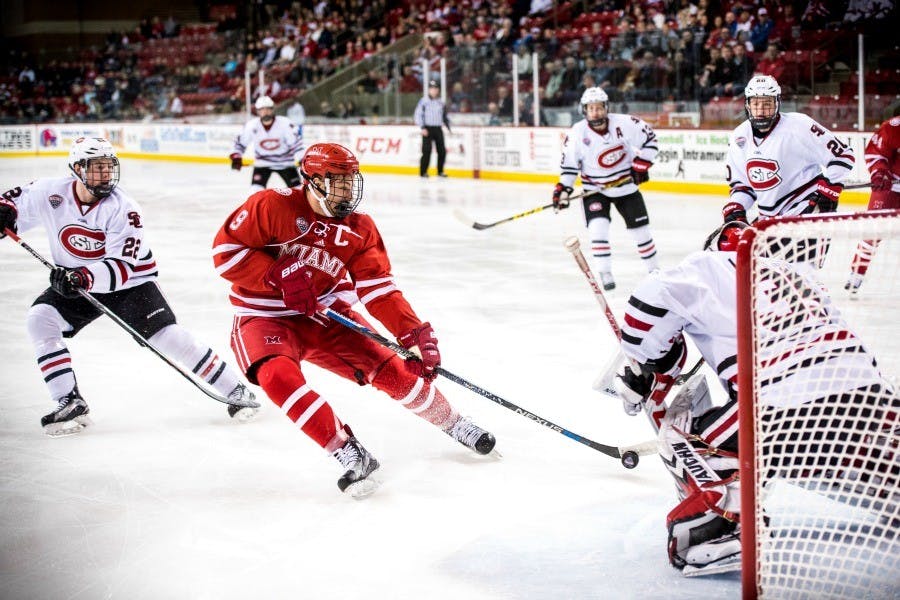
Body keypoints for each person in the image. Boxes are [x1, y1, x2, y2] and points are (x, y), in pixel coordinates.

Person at [212, 142, 496, 498]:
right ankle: (346, 450)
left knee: (393, 370)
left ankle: (454, 423)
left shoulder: (360, 228)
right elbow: (225, 253)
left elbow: (379, 290)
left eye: (350, 181)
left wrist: (411, 333)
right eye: (337, 182)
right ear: (311, 180)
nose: (346, 191)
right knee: (276, 375)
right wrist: (274, 275)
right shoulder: (273, 205)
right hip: (264, 315)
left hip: (327, 315)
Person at [613, 221, 896, 574]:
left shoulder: (709, 266)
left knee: (684, 433)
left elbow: (651, 301)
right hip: (874, 399)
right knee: (852, 445)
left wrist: (644, 363)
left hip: (783, 407)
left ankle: (726, 520)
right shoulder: (798, 275)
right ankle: (884, 480)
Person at [0, 137, 258, 437]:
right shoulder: (50, 192)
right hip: (77, 281)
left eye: (109, 167)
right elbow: (15, 202)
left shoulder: (124, 209)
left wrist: (81, 277)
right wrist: (6, 212)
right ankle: (69, 400)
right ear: (77, 168)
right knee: (40, 320)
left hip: (129, 283)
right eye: (97, 168)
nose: (105, 174)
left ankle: (235, 389)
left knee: (168, 338)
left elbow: (121, 267)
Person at [552, 86, 660, 291]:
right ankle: (605, 271)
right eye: (591, 108)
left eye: (599, 107)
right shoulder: (576, 133)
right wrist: (563, 190)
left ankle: (654, 271)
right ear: (584, 110)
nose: (596, 112)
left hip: (625, 187)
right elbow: (569, 167)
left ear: (606, 107)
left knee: (642, 232)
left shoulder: (625, 123)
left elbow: (651, 139)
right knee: (597, 228)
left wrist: (641, 163)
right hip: (595, 190)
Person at [722, 75, 855, 225]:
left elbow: (843, 156)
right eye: (756, 104)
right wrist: (736, 206)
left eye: (767, 104)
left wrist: (830, 189)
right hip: (768, 219)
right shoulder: (739, 136)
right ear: (747, 105)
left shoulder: (799, 125)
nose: (761, 110)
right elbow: (743, 187)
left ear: (777, 103)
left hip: (807, 211)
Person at [846, 114, 900, 293]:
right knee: (873, 232)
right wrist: (880, 173)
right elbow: (876, 153)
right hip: (891, 186)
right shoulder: (894, 127)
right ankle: (856, 274)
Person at [230, 95, 305, 193]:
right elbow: (240, 143)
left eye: (268, 109)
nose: (265, 112)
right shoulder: (251, 125)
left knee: (299, 192)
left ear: (273, 109)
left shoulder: (285, 123)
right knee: (255, 193)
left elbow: (296, 145)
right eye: (262, 109)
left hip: (285, 164)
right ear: (257, 111)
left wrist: (302, 160)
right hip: (262, 165)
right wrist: (236, 156)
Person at [414, 80, 451, 178]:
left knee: (442, 151)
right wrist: (422, 127)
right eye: (432, 88)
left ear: (438, 90)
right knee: (426, 151)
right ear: (429, 90)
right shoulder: (423, 101)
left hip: (438, 128)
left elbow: (444, 116)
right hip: (427, 128)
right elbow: (418, 115)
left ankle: (440, 171)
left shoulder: (440, 102)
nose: (434, 90)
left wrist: (448, 126)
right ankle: (423, 172)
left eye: (435, 88)